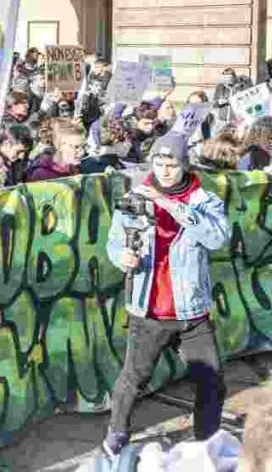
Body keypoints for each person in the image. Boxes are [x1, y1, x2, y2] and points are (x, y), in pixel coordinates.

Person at [102, 133, 230, 459]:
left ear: (184, 164)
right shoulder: (135, 197)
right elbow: (115, 241)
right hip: (149, 311)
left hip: (191, 313)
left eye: (171, 163)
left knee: (211, 382)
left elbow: (218, 238)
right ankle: (117, 433)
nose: (164, 170)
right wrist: (122, 257)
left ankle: (206, 442)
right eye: (159, 163)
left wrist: (175, 207)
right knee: (134, 378)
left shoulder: (204, 200)